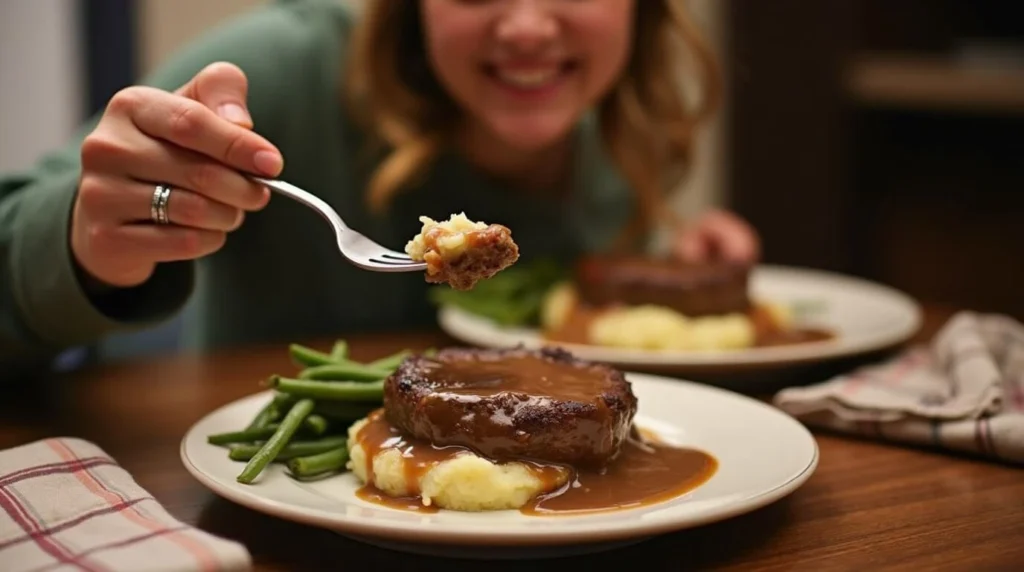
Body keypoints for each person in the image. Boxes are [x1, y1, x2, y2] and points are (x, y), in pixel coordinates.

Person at [0, 0, 759, 371]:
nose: (527, 26)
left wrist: (674, 259)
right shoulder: (283, 69)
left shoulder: (618, 125)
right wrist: (79, 242)